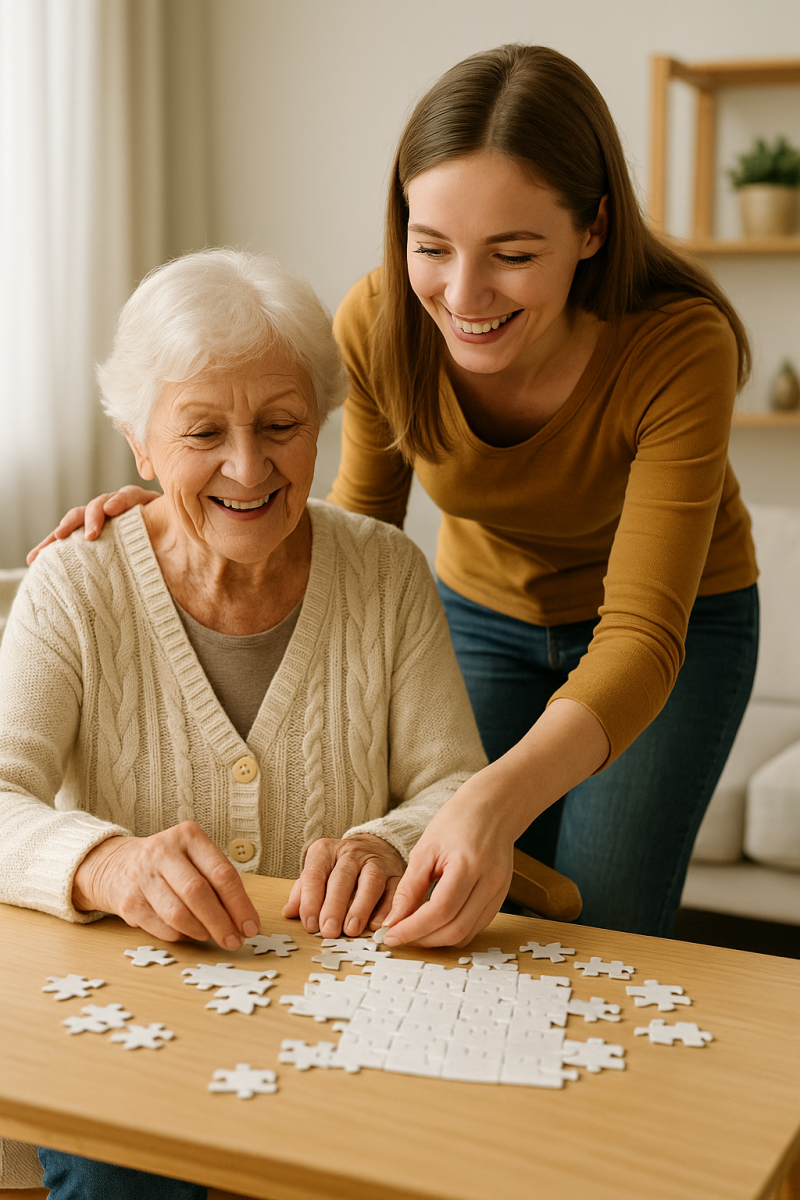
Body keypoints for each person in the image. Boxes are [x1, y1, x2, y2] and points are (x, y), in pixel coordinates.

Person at [34, 44, 759, 949]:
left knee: (601, 920)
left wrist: (490, 798)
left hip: (670, 631)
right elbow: (345, 549)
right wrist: (194, 508)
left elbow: (643, 632)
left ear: (594, 229)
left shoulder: (678, 347)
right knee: (466, 917)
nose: (463, 295)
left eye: (514, 252)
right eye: (431, 247)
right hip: (485, 609)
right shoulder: (380, 325)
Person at [1, 248, 486, 1197]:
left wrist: (387, 846)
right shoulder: (75, 582)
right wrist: (109, 864)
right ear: (141, 444)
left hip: (342, 1022)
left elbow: (458, 787)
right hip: (122, 1023)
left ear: (323, 427)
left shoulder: (386, 572)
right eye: (202, 432)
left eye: (281, 424)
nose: (247, 465)